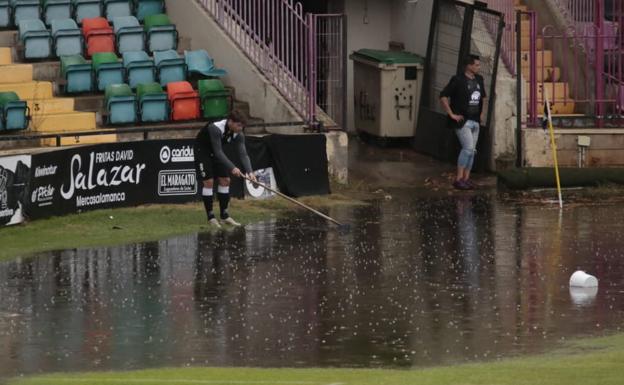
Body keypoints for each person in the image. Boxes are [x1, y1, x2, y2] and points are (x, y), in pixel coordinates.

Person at [194, 110, 256, 228]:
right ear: (230, 122)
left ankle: (224, 216)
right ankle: (211, 217)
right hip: (202, 152)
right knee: (209, 182)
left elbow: (243, 154)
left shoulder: (239, 134)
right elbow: (218, 152)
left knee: (225, 180)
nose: (241, 128)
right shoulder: (215, 128)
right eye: (238, 125)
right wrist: (233, 168)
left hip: (216, 152)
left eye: (242, 126)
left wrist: (250, 172)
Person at [440, 54, 487, 190]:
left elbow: (483, 97)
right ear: (469, 66)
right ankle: (458, 178)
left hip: (475, 120)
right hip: (463, 121)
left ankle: (466, 178)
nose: (479, 67)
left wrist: (482, 113)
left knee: (472, 150)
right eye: (477, 65)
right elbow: (443, 96)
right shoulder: (458, 80)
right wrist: (451, 114)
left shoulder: (479, 79)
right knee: (467, 148)